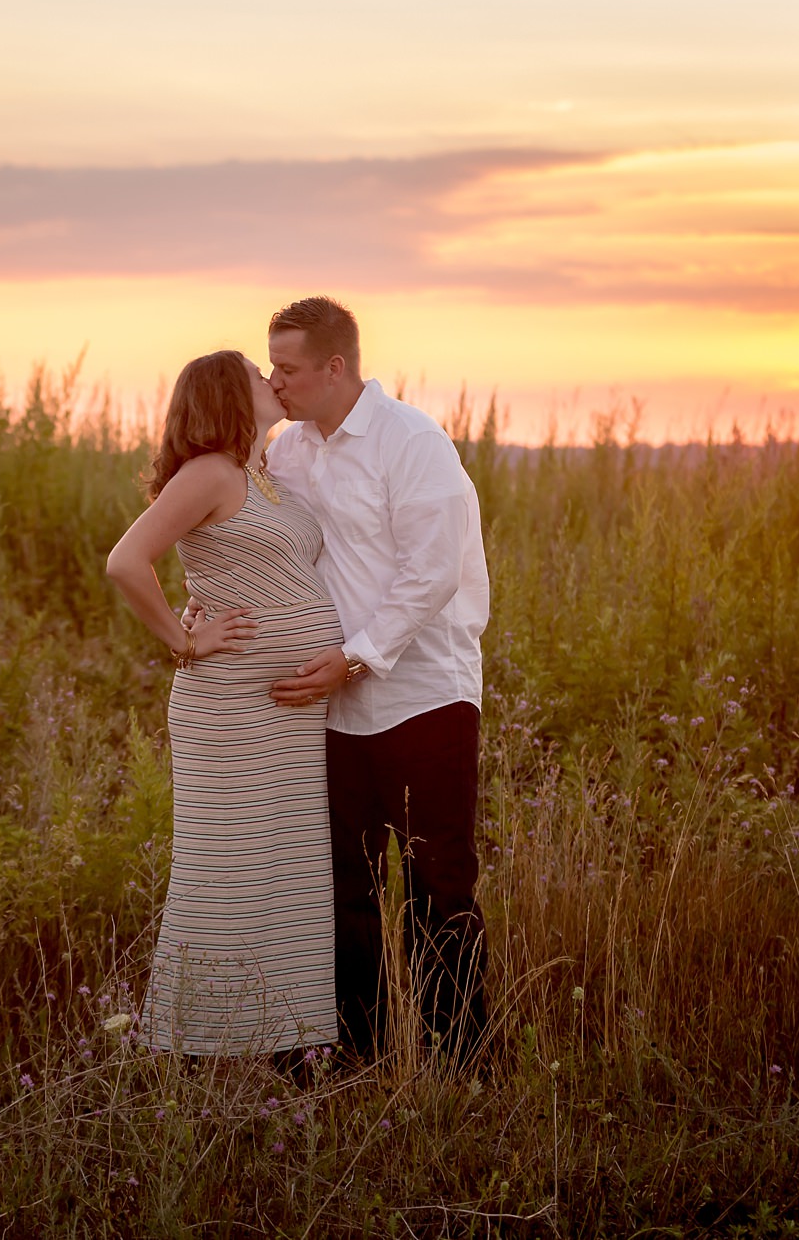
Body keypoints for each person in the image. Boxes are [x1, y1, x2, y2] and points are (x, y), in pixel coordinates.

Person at [261, 296, 491, 1064]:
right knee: (343, 894)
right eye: (270, 367)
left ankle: (461, 1066)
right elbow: (262, 540)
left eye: (288, 368)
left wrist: (356, 655)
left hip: (426, 695)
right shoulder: (288, 450)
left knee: (438, 887)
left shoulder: (412, 441)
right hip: (332, 708)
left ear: (335, 366)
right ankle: (361, 1059)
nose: (276, 382)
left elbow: (431, 573)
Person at [105, 349, 341, 1056]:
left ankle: (285, 1036)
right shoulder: (210, 471)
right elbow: (125, 560)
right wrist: (185, 639)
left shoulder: (257, 475)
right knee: (227, 868)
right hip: (232, 708)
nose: (271, 381)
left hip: (286, 713)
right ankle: (195, 1039)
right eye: (254, 374)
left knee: (290, 864)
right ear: (225, 397)